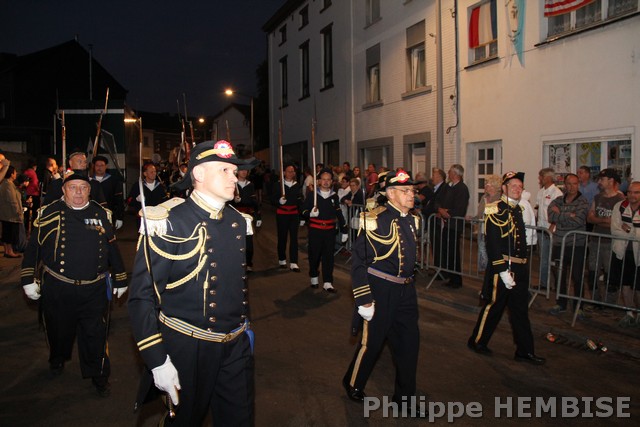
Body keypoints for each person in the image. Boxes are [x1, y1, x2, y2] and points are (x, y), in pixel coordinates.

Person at [128, 140, 257, 425]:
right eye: (225, 170)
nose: (234, 177)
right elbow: (142, 297)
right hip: (188, 347)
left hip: (235, 345)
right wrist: (157, 359)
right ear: (198, 174)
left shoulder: (237, 221)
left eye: (234, 171)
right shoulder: (169, 222)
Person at [20, 173, 128, 396]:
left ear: (89, 190)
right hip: (59, 288)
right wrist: (27, 278)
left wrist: (120, 276)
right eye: (73, 187)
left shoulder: (101, 213)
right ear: (64, 190)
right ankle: (58, 357)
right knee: (59, 332)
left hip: (94, 288)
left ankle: (99, 376)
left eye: (83, 187)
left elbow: (111, 246)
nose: (78, 192)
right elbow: (33, 249)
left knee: (95, 335)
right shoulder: (49, 213)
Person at [343, 169, 422, 412]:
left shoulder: (414, 220)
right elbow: (359, 263)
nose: (411, 194)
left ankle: (404, 399)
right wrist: (364, 298)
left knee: (409, 344)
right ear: (390, 193)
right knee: (373, 343)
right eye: (405, 191)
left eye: (412, 190)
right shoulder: (374, 219)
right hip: (380, 289)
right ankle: (353, 382)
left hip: (406, 291)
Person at [468, 172, 545, 365]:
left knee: (520, 310)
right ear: (504, 188)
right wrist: (502, 270)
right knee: (494, 306)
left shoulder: (517, 209)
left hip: (519, 267)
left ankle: (525, 351)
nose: (517, 189)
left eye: (520, 186)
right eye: (513, 186)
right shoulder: (495, 208)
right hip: (503, 266)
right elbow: (493, 243)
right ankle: (477, 341)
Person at [547, 173, 589, 315]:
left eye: (575, 183)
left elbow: (578, 221)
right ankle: (561, 303)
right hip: (559, 243)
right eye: (569, 184)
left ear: (578, 184)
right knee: (559, 275)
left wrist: (560, 214)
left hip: (577, 244)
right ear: (565, 185)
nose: (572, 187)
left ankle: (579, 306)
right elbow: (550, 215)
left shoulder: (583, 201)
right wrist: (569, 214)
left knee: (577, 276)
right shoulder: (558, 200)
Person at [301, 168, 347, 292]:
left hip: (329, 231)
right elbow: (303, 210)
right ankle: (314, 276)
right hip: (315, 230)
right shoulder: (313, 195)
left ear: (332, 181)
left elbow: (338, 212)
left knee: (328, 256)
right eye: (323, 179)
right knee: (314, 255)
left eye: (328, 180)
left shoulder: (334, 196)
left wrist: (344, 229)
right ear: (319, 181)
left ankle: (328, 282)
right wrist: (310, 214)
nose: (326, 182)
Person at [586, 168, 625, 305]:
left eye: (602, 179)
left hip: (611, 242)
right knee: (593, 272)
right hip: (596, 240)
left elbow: (618, 223)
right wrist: (604, 220)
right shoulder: (598, 197)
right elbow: (589, 218)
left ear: (611, 181)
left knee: (610, 274)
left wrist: (598, 220)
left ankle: (610, 302)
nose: (599, 182)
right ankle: (595, 299)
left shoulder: (620, 199)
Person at [610, 181, 640, 327]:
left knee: (638, 287)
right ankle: (629, 313)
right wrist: (634, 232)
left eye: (636, 192)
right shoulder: (620, 206)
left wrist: (628, 229)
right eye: (630, 192)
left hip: (638, 255)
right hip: (621, 252)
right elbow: (614, 229)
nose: (632, 195)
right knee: (625, 284)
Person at [436, 164, 470, 288]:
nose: (448, 173)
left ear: (455, 174)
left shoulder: (462, 188)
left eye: (450, 171)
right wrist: (440, 209)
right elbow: (438, 199)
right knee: (447, 251)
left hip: (454, 226)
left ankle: (456, 280)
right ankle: (449, 275)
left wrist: (448, 212)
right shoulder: (448, 186)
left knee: (453, 253)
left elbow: (460, 208)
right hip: (446, 225)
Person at [534, 168, 563, 289]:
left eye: (541, 176)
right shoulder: (541, 192)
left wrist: (552, 227)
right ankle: (544, 283)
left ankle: (558, 285)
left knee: (553, 259)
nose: (539, 179)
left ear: (548, 178)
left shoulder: (557, 193)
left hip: (551, 231)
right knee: (543, 258)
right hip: (541, 228)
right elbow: (538, 209)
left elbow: (559, 212)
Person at [272, 164, 304, 271]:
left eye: (292, 171)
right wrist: (279, 202)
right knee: (282, 237)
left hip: (294, 214)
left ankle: (294, 262)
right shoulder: (278, 185)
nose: (290, 173)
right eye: (288, 171)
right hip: (282, 214)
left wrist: (302, 216)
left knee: (294, 238)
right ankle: (282, 259)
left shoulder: (297, 185)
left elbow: (300, 201)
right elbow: (272, 200)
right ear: (284, 172)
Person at [468, 175, 502, 271]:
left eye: (487, 184)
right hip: (482, 230)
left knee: (492, 255)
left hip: (493, 232)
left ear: (494, 186)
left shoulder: (499, 199)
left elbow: (492, 214)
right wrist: (473, 218)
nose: (485, 186)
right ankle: (486, 272)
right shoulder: (484, 197)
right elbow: (481, 214)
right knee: (483, 253)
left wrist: (488, 204)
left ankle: (492, 273)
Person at [230, 167, 262, 272]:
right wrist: (233, 200)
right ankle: (236, 263)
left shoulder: (250, 185)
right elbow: (225, 202)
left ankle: (248, 263)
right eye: (242, 170)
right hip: (234, 216)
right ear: (237, 172)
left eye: (246, 170)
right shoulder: (232, 184)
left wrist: (258, 216)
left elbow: (254, 201)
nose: (244, 172)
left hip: (247, 217)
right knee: (235, 240)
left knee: (248, 241)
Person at [127, 162, 169, 228]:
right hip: (143, 218)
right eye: (151, 172)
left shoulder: (160, 186)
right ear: (145, 173)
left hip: (157, 218)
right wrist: (136, 199)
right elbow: (129, 201)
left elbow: (165, 201)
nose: (154, 173)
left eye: (155, 171)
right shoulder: (138, 186)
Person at [90, 155, 124, 229]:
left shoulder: (114, 181)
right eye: (97, 165)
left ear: (106, 166)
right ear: (94, 167)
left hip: (109, 214)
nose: (99, 168)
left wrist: (119, 217)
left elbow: (118, 200)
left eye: (102, 165)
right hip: (92, 215)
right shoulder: (89, 181)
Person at [0, 166, 24, 258]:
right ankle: (9, 251)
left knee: (6, 233)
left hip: (6, 214)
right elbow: (12, 201)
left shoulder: (4, 183)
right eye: (15, 172)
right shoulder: (8, 185)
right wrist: (18, 212)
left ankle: (7, 250)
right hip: (11, 215)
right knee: (10, 234)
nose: (16, 174)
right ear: (11, 174)